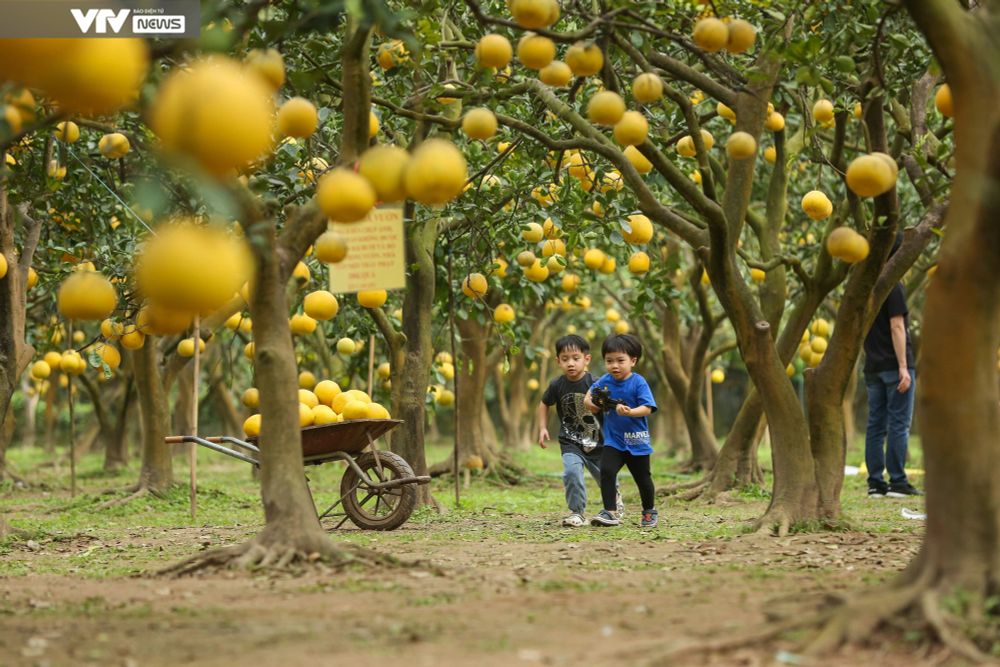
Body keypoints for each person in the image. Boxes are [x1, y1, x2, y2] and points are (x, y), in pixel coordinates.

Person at [538, 334, 623, 527]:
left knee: (606, 478)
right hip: (571, 442)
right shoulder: (557, 385)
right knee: (571, 473)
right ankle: (577, 513)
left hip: (599, 443)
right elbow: (544, 403)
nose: (571, 363)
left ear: (587, 359)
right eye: (565, 359)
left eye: (576, 358)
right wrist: (542, 427)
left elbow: (610, 407)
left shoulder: (597, 383)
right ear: (557, 361)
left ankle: (614, 505)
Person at [864, 235, 921, 498]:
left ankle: (876, 483)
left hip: (872, 366)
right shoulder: (892, 286)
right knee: (898, 424)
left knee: (876, 425)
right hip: (894, 366)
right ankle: (897, 482)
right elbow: (897, 326)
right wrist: (902, 366)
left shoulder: (864, 286)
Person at [584, 333, 659, 527]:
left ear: (633, 361)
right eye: (609, 361)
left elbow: (648, 408)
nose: (614, 366)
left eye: (620, 361)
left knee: (643, 478)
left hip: (637, 441)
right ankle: (610, 512)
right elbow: (590, 395)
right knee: (607, 471)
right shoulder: (605, 381)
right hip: (614, 441)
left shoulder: (638, 382)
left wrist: (631, 412)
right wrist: (589, 402)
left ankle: (649, 511)